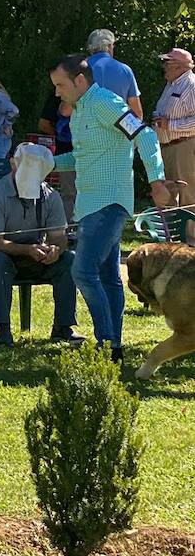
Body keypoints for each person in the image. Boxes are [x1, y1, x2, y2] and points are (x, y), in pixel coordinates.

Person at [48, 54, 172, 362]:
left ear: (79, 81)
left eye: (60, 85)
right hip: (90, 203)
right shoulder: (78, 112)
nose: (56, 93)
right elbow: (79, 160)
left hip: (110, 202)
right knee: (106, 276)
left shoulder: (105, 102)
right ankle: (113, 346)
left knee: (83, 270)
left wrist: (157, 181)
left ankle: (106, 344)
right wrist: (40, 163)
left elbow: (143, 134)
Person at [0, 144, 83, 346]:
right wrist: (27, 250)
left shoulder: (51, 196)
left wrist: (56, 250)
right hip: (0, 255)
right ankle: (3, 330)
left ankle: (63, 327)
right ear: (12, 164)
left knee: (69, 259)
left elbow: (58, 236)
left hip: (36, 256)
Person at [154, 47, 195, 240]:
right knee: (169, 194)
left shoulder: (191, 85)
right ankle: (172, 242)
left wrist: (171, 124)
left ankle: (191, 245)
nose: (164, 67)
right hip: (167, 148)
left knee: (188, 196)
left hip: (185, 148)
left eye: (167, 63)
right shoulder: (171, 85)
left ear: (178, 66)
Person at [86, 29, 143, 119]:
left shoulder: (81, 68)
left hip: (87, 128)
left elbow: (66, 110)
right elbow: (137, 113)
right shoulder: (125, 70)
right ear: (109, 47)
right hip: (117, 129)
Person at [38, 94, 77, 221]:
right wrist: (61, 133)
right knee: (69, 193)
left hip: (88, 152)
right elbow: (43, 124)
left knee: (73, 193)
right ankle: (68, 227)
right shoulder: (56, 96)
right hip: (65, 150)